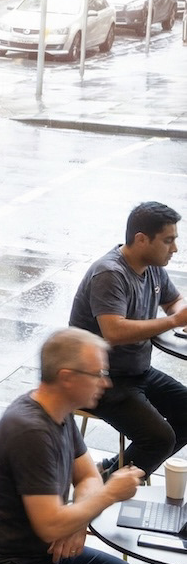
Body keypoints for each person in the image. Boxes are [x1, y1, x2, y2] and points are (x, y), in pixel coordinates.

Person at [0, 328, 142, 564]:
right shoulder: (30, 431)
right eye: (98, 374)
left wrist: (77, 521)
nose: (106, 383)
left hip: (41, 550)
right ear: (67, 378)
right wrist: (110, 493)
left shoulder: (60, 410)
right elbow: (50, 526)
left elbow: (88, 476)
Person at [70, 201, 187, 477]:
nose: (175, 248)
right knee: (160, 439)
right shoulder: (110, 273)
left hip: (137, 371)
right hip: (99, 378)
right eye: (168, 240)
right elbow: (114, 331)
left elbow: (174, 301)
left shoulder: (152, 267)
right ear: (142, 239)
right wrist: (174, 321)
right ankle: (101, 490)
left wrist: (180, 313)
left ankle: (109, 471)